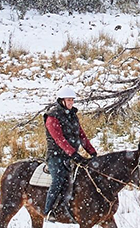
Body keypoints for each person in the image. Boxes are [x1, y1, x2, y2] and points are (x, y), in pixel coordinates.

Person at [42, 87, 98, 220]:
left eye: (72, 100)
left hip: (71, 156)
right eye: (68, 100)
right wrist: (73, 154)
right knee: (58, 179)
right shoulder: (52, 117)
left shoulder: (73, 115)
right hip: (56, 156)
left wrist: (92, 151)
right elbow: (59, 139)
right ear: (61, 101)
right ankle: (48, 210)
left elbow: (81, 135)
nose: (71, 102)